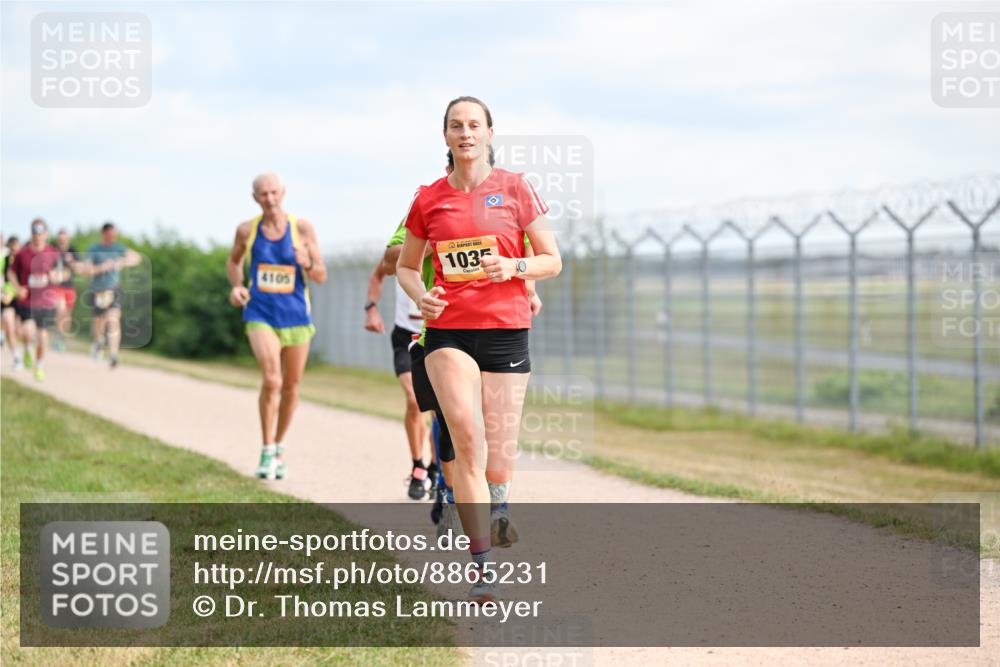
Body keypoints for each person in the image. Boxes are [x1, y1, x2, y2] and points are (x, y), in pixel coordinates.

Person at [396, 96, 561, 603]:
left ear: (489, 132)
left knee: (499, 453)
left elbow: (552, 259)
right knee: (467, 438)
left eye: (473, 124)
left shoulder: (515, 188)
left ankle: (500, 501)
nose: (465, 133)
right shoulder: (428, 198)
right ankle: (482, 563)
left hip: (505, 329)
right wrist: (420, 296)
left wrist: (514, 267)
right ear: (445, 136)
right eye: (456, 125)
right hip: (448, 330)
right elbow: (406, 266)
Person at [227, 173, 326, 481]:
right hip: (260, 313)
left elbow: (321, 275)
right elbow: (233, 262)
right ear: (255, 197)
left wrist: (307, 262)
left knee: (292, 387)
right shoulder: (247, 230)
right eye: (263, 194)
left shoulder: (302, 228)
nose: (269, 199)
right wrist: (237, 286)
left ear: (283, 193)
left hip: (296, 317)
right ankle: (267, 449)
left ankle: (279, 445)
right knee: (272, 380)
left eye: (273, 192)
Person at [364, 238, 436, 500]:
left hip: (439, 334)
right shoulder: (406, 245)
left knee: (440, 408)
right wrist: (371, 309)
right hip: (407, 335)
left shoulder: (453, 242)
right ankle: (418, 467)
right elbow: (379, 273)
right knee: (414, 399)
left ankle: (435, 468)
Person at [8, 219, 61, 381]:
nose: (38, 236)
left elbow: (61, 273)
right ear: (31, 233)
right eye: (35, 233)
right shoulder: (22, 254)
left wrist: (56, 277)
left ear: (46, 234)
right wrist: (17, 288)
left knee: (43, 337)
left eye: (41, 233)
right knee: (28, 332)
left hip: (44, 302)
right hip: (27, 301)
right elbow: (11, 272)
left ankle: (39, 366)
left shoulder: (53, 252)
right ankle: (26, 348)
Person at [84, 222, 141, 367]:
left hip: (114, 290)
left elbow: (136, 257)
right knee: (99, 322)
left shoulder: (118, 248)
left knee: (113, 319)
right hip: (98, 291)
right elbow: (86, 271)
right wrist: (102, 267)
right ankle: (98, 342)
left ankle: (113, 354)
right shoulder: (94, 249)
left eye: (115, 235)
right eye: (110, 235)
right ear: (103, 234)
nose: (113, 238)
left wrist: (123, 262)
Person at [51, 229, 80, 351]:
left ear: (68, 239)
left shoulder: (73, 251)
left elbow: (78, 268)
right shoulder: (53, 251)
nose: (62, 241)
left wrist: (71, 261)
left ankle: (62, 337)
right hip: (57, 287)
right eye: (60, 239)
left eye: (64, 239)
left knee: (67, 315)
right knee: (60, 309)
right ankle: (57, 335)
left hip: (69, 288)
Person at [2, 235, 23, 369]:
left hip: (23, 298)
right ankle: (16, 357)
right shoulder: (4, 260)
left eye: (17, 247)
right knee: (8, 322)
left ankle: (27, 349)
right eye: (12, 247)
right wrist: (2, 292)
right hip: (8, 297)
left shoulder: (25, 260)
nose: (14, 250)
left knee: (20, 331)